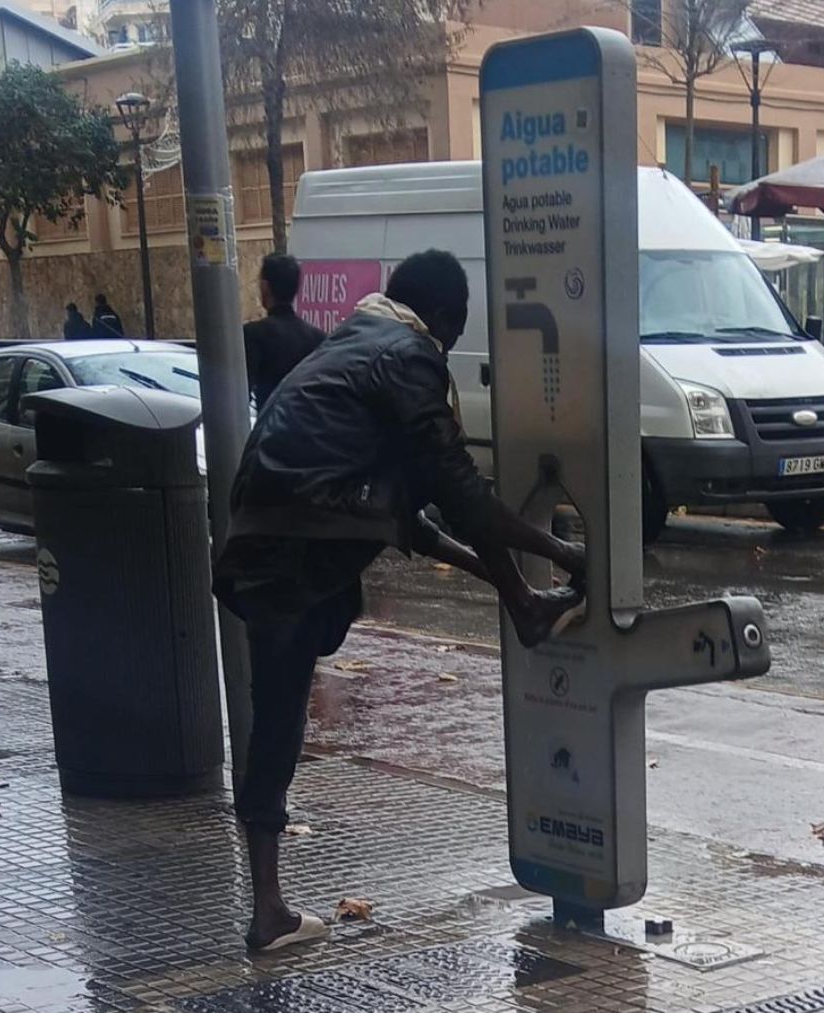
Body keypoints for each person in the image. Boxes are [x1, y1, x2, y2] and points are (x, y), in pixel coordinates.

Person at [212, 249, 586, 952]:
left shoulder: (351, 342)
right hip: (297, 545)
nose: (450, 343)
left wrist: (512, 582)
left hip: (266, 530)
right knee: (279, 720)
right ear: (441, 315)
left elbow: (413, 517)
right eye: (456, 329)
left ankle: (525, 606)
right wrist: (569, 557)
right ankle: (267, 912)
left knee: (276, 714)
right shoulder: (410, 356)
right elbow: (460, 494)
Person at [243, 253, 327, 408]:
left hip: (270, 420)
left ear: (265, 287)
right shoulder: (318, 338)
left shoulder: (253, 334)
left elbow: (241, 394)